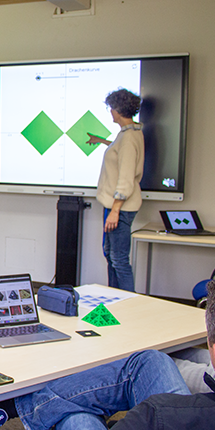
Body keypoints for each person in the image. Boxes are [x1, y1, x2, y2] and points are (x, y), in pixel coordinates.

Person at [0, 268, 215, 430]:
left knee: (78, 415)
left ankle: (15, 406)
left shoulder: (159, 421)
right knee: (150, 360)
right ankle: (13, 408)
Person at [87, 88, 144, 292]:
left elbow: (126, 177)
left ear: (118, 110)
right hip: (117, 206)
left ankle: (126, 302)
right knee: (111, 255)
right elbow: (121, 152)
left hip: (120, 207)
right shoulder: (130, 132)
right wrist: (102, 141)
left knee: (118, 259)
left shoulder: (128, 138)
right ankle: (114, 296)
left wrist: (115, 210)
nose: (110, 111)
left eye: (111, 108)